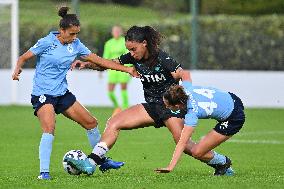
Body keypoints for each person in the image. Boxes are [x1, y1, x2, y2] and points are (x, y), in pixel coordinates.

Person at [67, 26, 225, 175]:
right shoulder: (133, 57)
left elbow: (184, 75)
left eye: (133, 49)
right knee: (114, 122)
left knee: (187, 147)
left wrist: (188, 93)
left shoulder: (162, 58)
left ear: (144, 43)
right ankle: (90, 163)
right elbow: (106, 65)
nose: (132, 53)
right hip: (152, 107)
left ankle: (222, 163)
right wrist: (87, 64)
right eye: (129, 50)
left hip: (170, 108)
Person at [11, 7, 137, 180]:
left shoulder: (76, 45)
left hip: (62, 93)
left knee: (91, 123)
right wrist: (17, 68)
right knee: (49, 128)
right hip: (43, 93)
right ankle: (44, 173)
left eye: (77, 34)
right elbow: (24, 57)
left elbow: (99, 60)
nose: (74, 37)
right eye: (71, 34)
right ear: (61, 31)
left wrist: (126, 70)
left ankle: (102, 161)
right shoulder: (47, 42)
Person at [155, 80, 245, 175]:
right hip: (232, 98)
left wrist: (170, 166)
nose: (166, 107)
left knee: (197, 152)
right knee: (197, 150)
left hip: (233, 118)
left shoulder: (192, 113)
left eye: (168, 106)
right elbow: (185, 76)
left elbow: (182, 142)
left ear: (177, 105)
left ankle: (223, 163)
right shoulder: (184, 89)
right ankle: (223, 167)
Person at [103, 25, 131, 115]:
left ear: (121, 32)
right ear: (112, 32)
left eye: (118, 31)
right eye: (115, 31)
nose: (116, 33)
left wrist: (129, 68)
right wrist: (103, 67)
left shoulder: (125, 42)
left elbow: (129, 56)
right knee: (110, 91)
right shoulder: (108, 43)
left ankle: (125, 107)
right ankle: (117, 106)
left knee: (123, 88)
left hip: (123, 69)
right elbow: (105, 57)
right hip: (112, 69)